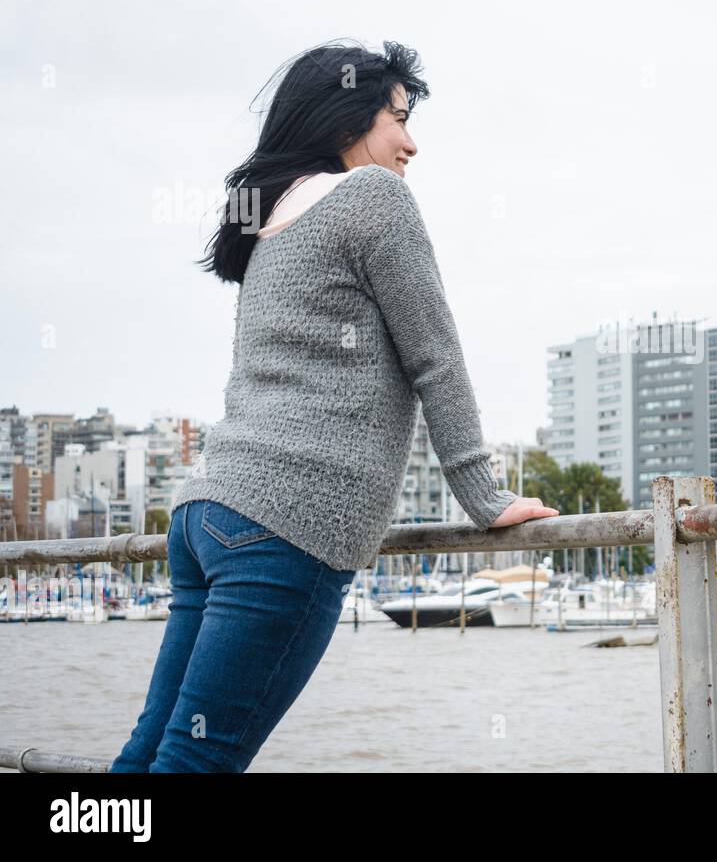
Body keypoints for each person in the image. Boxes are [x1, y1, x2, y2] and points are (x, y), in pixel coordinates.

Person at [109, 39, 558, 773]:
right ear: (348, 117)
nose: (411, 144)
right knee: (198, 761)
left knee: (154, 751)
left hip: (206, 515)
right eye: (399, 118)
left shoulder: (273, 221)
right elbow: (434, 355)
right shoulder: (373, 198)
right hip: (289, 519)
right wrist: (484, 496)